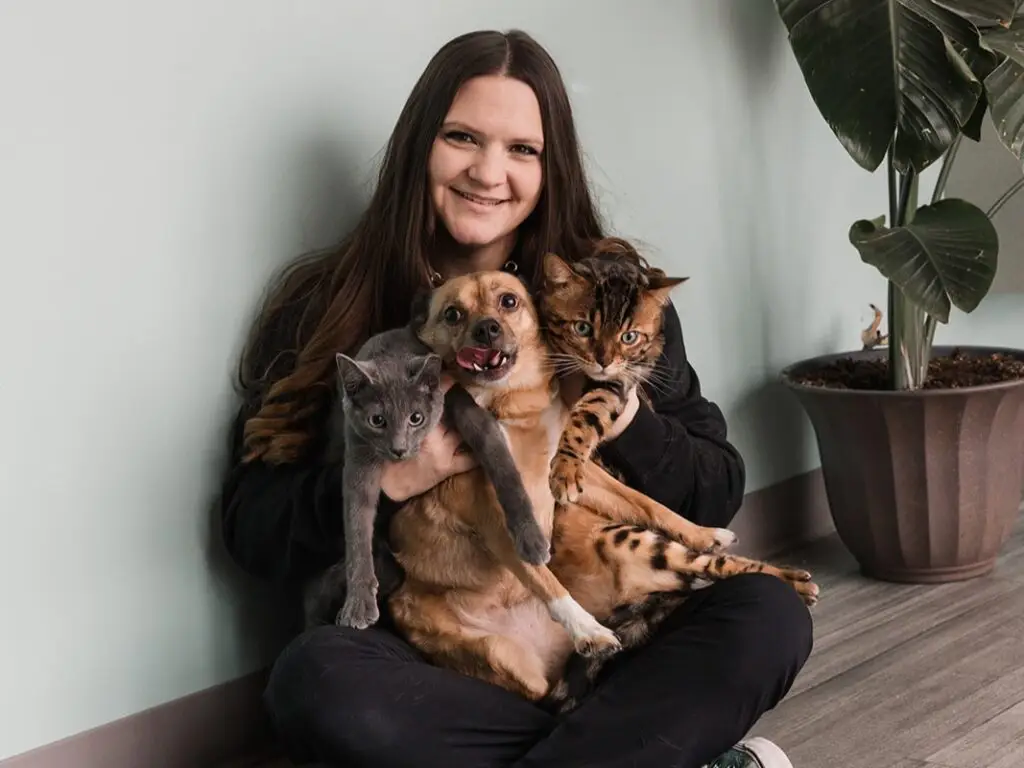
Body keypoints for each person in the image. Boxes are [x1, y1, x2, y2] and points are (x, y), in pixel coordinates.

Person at [219, 28, 813, 768]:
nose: (487, 171)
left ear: (550, 167)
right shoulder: (328, 305)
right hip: (451, 658)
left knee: (769, 615)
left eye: (522, 150)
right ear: (419, 148)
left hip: (616, 634)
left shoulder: (608, 302)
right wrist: (400, 477)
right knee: (315, 680)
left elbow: (716, 488)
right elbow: (252, 525)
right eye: (462, 136)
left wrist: (613, 412)